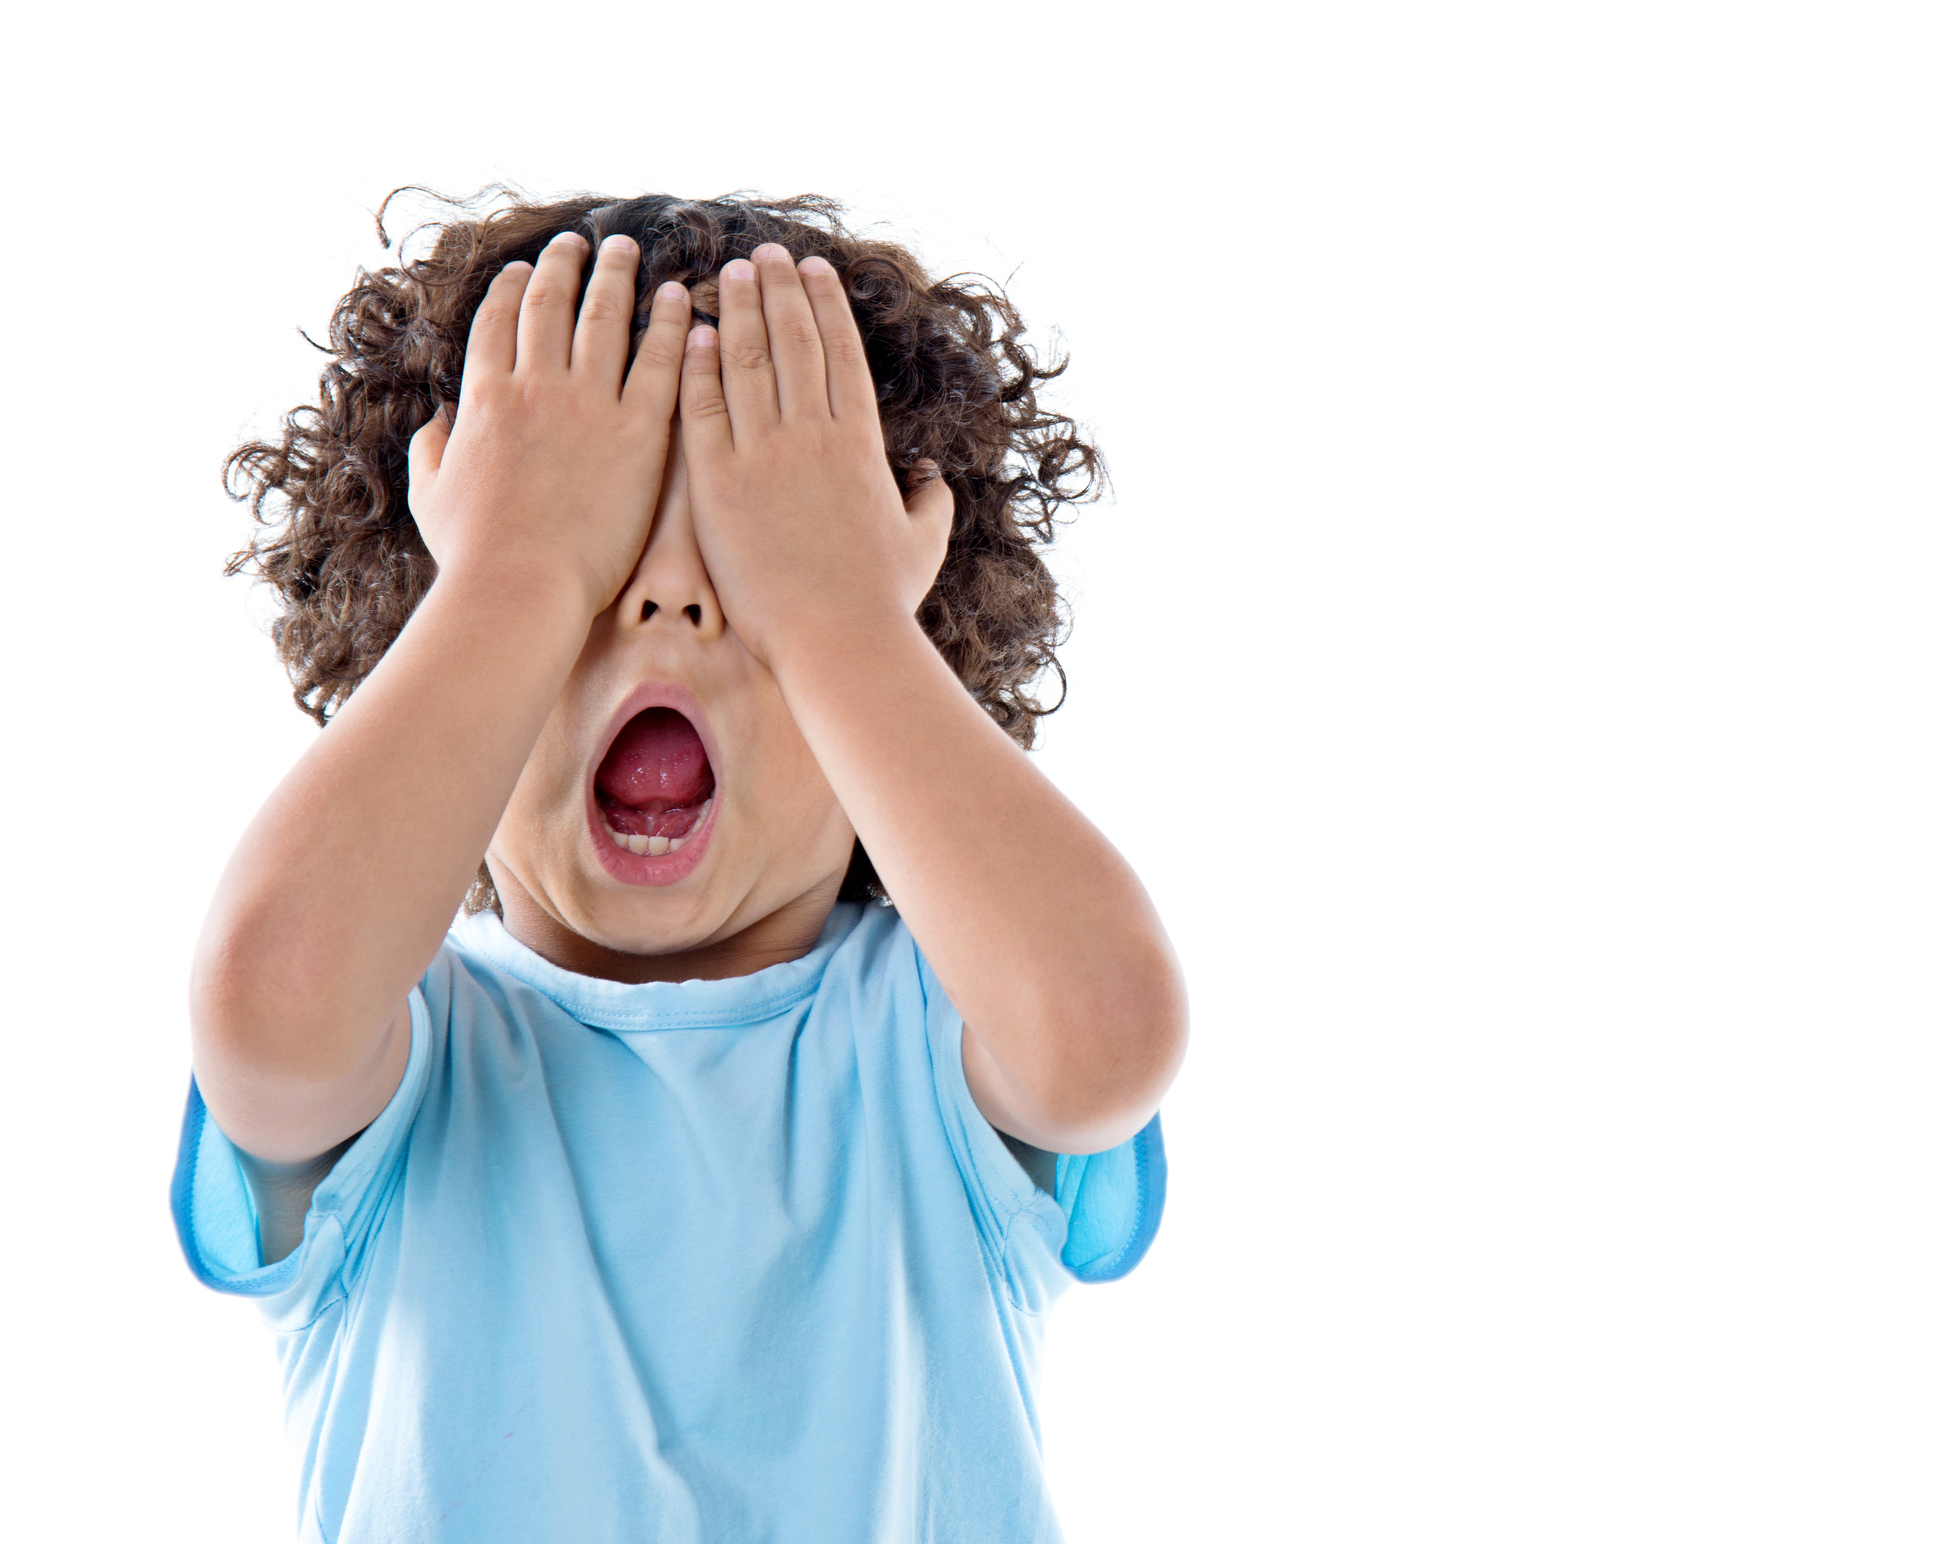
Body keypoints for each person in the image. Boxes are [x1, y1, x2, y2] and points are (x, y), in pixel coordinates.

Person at [171, 188, 1188, 1543]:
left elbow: (1106, 1035)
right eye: (593, 564)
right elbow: (270, 1001)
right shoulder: (411, 1064)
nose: (664, 597)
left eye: (738, 558)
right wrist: (517, 570)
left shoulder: (935, 1039)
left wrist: (830, 607)